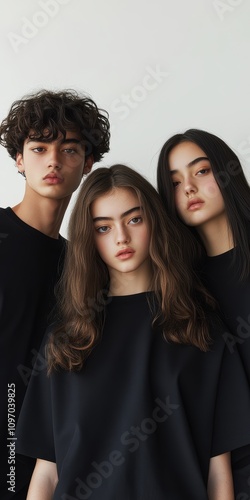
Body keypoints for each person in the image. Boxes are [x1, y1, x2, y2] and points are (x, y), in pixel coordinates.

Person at [15, 164, 250, 499]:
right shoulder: (65, 340)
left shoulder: (201, 331)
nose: (121, 237)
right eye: (103, 228)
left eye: (134, 219)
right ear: (88, 238)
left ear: (154, 221)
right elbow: (46, 473)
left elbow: (219, 470)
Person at [0, 89, 110, 499]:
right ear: (19, 159)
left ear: (87, 164)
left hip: (41, 448)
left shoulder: (83, 264)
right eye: (39, 147)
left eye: (68, 149)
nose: (52, 160)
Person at [156, 128, 250, 498]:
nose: (189, 188)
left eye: (201, 171)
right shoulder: (178, 288)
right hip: (232, 469)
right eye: (175, 182)